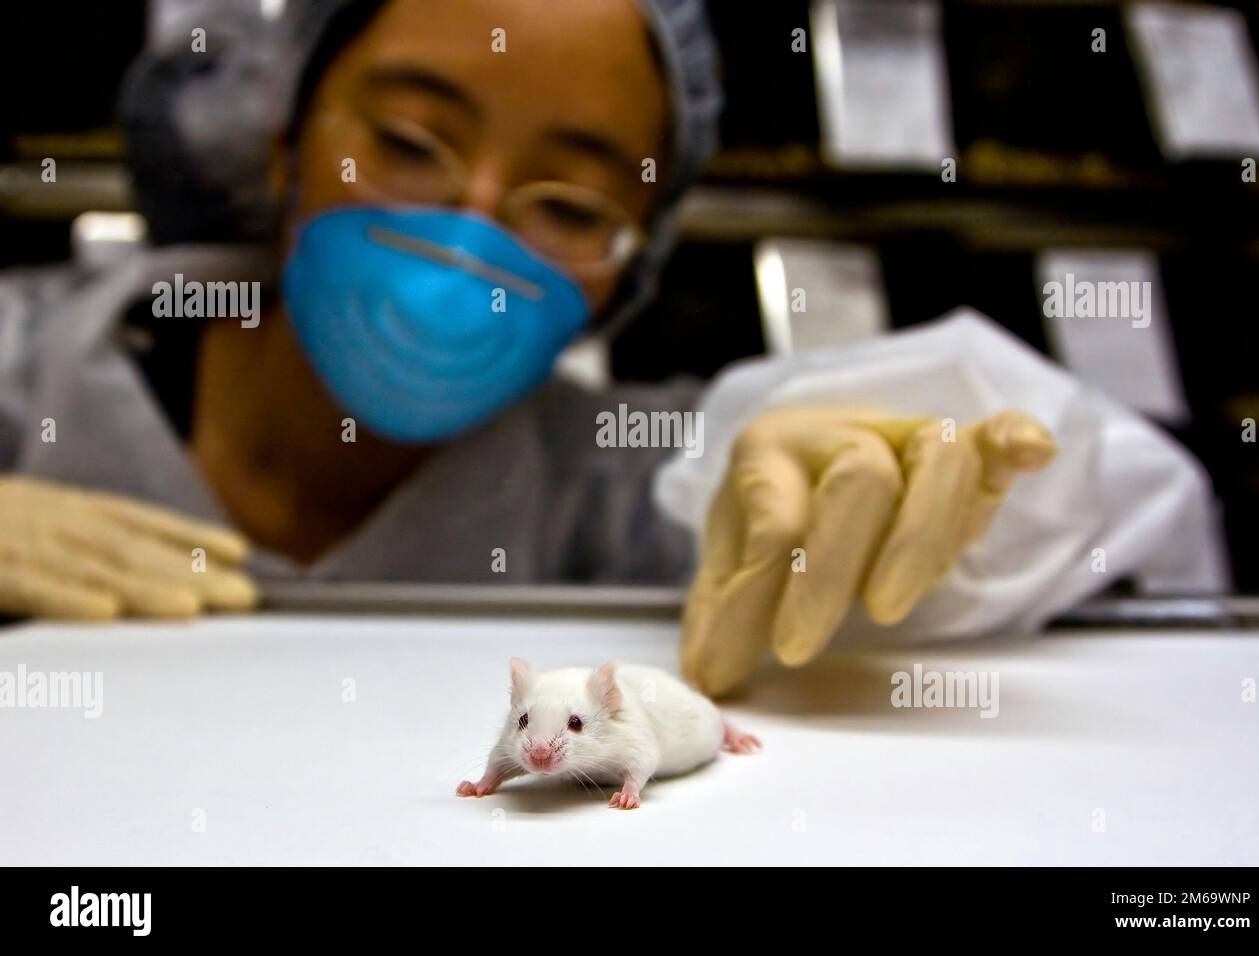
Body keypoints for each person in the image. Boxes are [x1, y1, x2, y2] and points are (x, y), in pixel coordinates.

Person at [0, 0, 1054, 695]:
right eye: (411, 143)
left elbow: (1130, 508)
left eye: (570, 200)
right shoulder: (23, 362)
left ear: (629, 265)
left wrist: (917, 475)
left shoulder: (627, 493)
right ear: (281, 139)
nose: (474, 228)